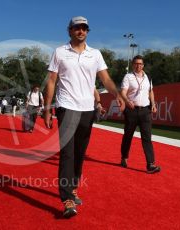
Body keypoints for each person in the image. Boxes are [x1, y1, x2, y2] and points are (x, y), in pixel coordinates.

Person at [43, 16, 125, 218]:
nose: (81, 31)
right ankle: (67, 199)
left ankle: (72, 188)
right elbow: (52, 81)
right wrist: (47, 109)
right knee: (67, 155)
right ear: (69, 30)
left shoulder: (95, 54)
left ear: (87, 31)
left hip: (87, 110)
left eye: (84, 28)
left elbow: (105, 78)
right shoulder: (59, 52)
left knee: (80, 155)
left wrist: (117, 94)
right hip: (66, 108)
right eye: (77, 28)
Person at [120, 55, 161, 174]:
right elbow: (123, 92)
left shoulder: (148, 77)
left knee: (147, 138)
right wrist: (127, 101)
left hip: (145, 112)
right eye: (136, 63)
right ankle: (124, 157)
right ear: (133, 65)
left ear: (143, 65)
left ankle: (151, 164)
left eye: (141, 64)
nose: (138, 66)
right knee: (128, 136)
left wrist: (153, 104)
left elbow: (150, 91)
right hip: (131, 111)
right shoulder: (128, 77)